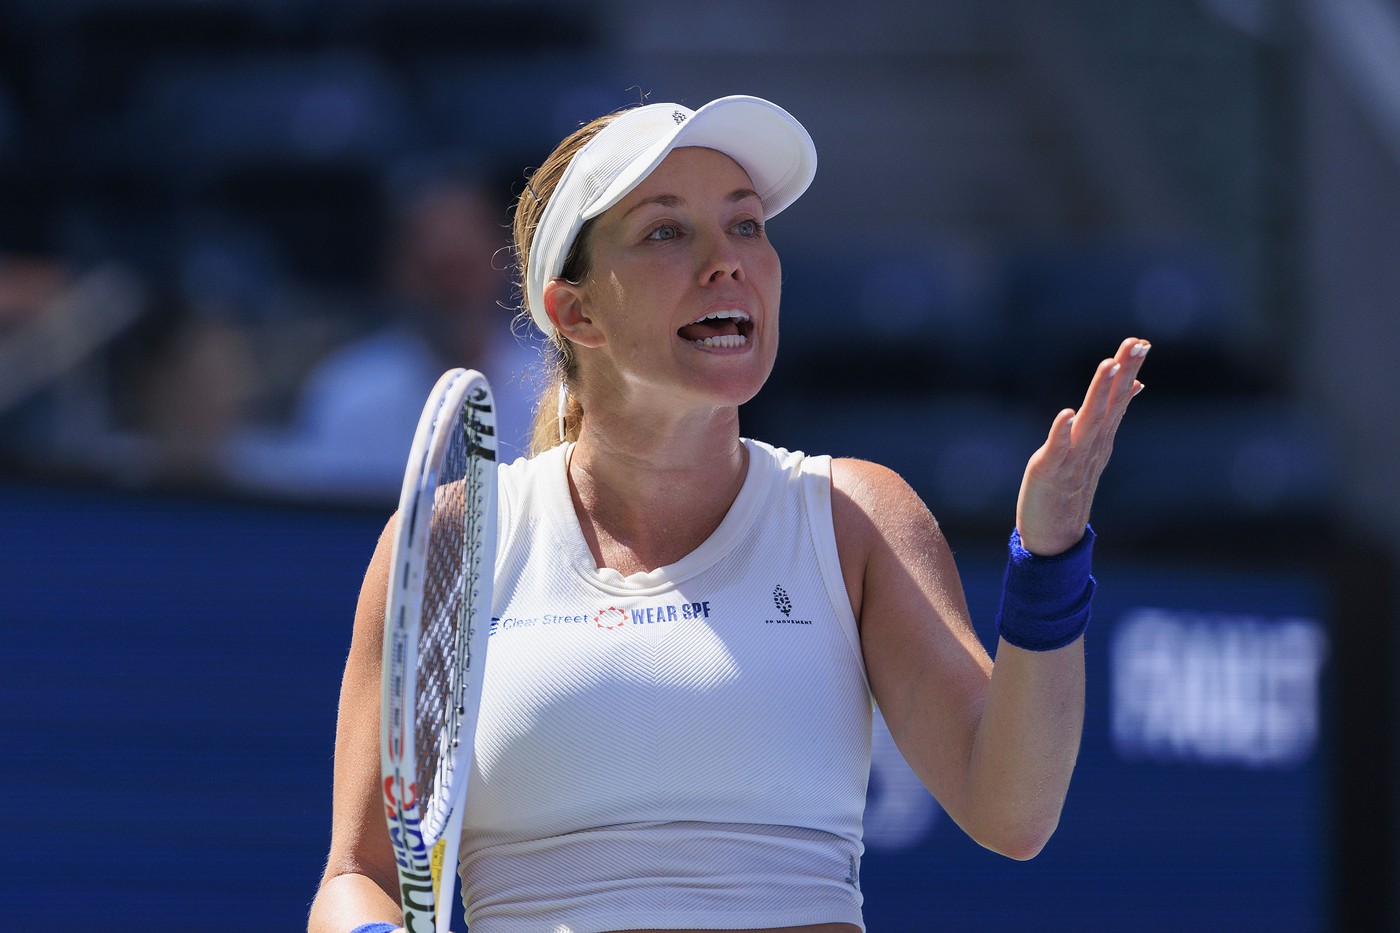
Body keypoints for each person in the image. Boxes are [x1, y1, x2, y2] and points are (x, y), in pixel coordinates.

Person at [307, 95, 1150, 933]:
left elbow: (1014, 812)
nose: (727, 262)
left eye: (746, 225)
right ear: (577, 310)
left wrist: (1049, 559)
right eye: (668, 232)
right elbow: (358, 874)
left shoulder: (853, 514)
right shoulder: (457, 540)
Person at [226, 158, 540, 501]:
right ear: (397, 270)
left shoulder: (553, 388)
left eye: (465, 269)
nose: (454, 294)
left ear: (507, 264)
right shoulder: (349, 393)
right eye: (435, 272)